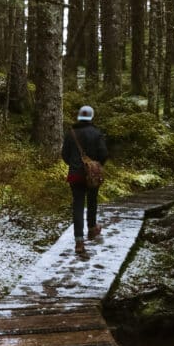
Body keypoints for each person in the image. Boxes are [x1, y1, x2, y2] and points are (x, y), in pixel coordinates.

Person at [61, 105, 109, 254]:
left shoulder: (71, 133)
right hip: (92, 175)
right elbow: (104, 154)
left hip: (75, 175)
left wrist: (74, 165)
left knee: (78, 206)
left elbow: (64, 155)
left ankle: (79, 241)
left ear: (79, 116)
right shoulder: (96, 133)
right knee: (92, 200)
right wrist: (95, 165)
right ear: (91, 117)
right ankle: (92, 228)